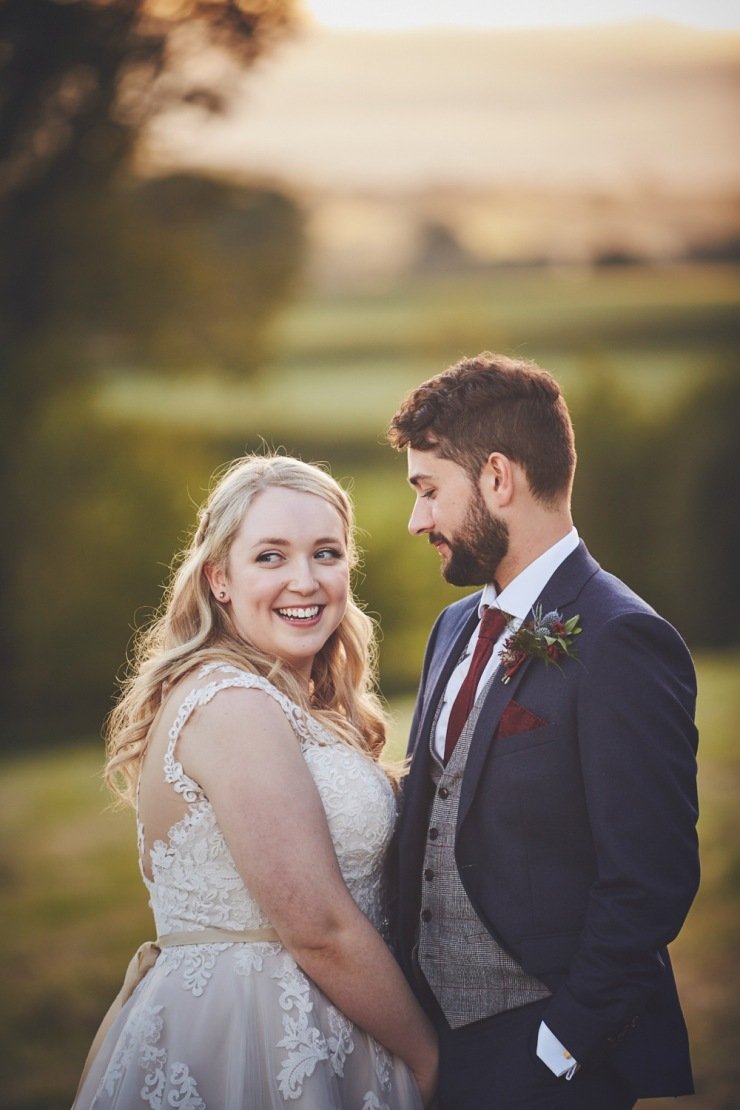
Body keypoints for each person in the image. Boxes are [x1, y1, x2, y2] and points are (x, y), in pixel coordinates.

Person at [73, 453, 438, 1110]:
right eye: (271, 557)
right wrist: (430, 1058)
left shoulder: (296, 705)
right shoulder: (232, 703)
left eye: (326, 554)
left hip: (336, 1029)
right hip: (257, 1042)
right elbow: (317, 926)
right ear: (219, 578)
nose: (305, 580)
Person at [386, 353, 699, 1110]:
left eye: (429, 490)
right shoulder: (452, 627)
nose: (415, 519)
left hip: (546, 1061)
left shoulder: (623, 638)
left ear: (498, 478)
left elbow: (650, 878)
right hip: (430, 1046)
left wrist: (561, 1046)